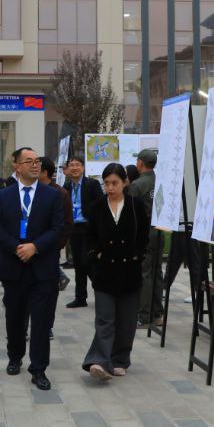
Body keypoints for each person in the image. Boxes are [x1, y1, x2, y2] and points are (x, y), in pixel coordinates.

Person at [0, 147, 65, 391]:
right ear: (17, 166)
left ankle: (39, 368)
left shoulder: (52, 195)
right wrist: (17, 248)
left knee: (42, 321)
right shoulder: (4, 195)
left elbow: (58, 229)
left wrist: (35, 246)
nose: (35, 165)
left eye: (38, 161)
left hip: (43, 269)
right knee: (15, 317)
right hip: (13, 267)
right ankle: (15, 356)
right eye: (29, 161)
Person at [81, 163, 150, 381]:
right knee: (105, 318)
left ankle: (120, 359)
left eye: (115, 183)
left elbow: (144, 236)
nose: (110, 188)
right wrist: (97, 255)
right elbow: (89, 236)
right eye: (107, 183)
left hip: (129, 270)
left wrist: (138, 254)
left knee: (127, 320)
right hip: (105, 272)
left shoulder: (136, 205)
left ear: (124, 182)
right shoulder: (97, 206)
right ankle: (100, 361)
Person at [61, 155, 104, 309]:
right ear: (68, 169)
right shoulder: (66, 186)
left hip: (88, 227)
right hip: (74, 228)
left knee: (89, 262)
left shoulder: (92, 184)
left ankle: (103, 292)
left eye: (78, 164)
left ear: (83, 167)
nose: (74, 167)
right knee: (78, 264)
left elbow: (100, 206)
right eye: (72, 165)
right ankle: (80, 298)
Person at [131, 149, 163, 328]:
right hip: (159, 229)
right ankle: (157, 313)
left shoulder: (137, 185)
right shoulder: (160, 182)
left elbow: (130, 212)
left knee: (145, 273)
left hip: (144, 233)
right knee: (157, 272)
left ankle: (143, 315)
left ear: (141, 163)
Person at [39, 157, 74, 296]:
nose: (32, 168)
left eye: (36, 166)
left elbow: (67, 222)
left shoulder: (60, 193)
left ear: (44, 172)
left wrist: (59, 244)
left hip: (51, 245)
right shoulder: (31, 190)